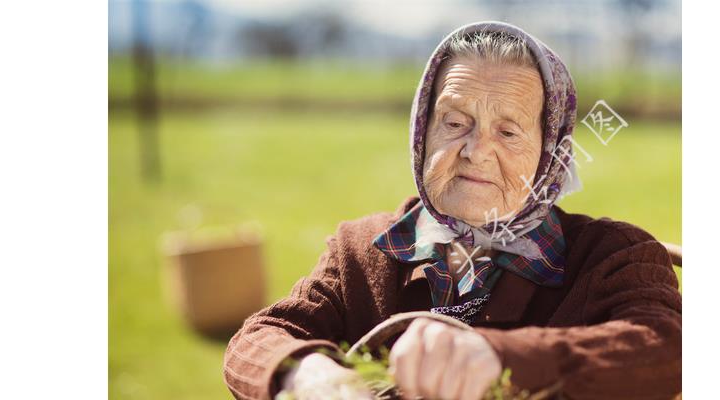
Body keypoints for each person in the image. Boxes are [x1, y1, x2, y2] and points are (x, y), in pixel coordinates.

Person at [223, 21, 682, 400]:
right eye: (455, 122)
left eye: (508, 132)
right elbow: (260, 336)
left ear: (549, 153)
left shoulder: (612, 255)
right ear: (423, 134)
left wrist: (499, 356)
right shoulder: (363, 250)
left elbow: (671, 351)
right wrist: (305, 374)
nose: (476, 151)